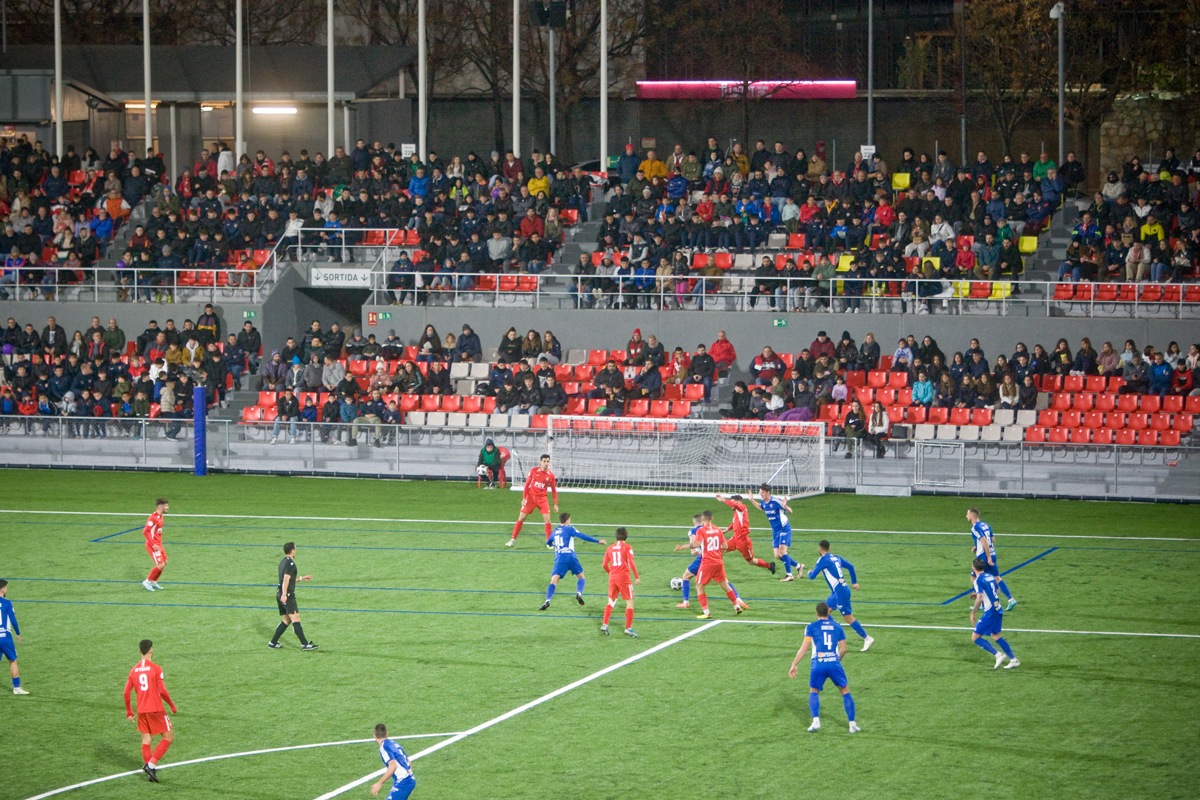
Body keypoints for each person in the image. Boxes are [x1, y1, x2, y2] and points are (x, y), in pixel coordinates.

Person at [787, 602, 860, 733]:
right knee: (845, 692)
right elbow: (843, 649)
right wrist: (835, 661)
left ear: (816, 614)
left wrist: (794, 664)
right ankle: (852, 724)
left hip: (818, 663)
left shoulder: (811, 627)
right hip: (833, 662)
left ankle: (816, 722)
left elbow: (804, 648)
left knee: (814, 691)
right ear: (828, 613)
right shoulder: (837, 627)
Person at [799, 540, 874, 651]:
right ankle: (835, 637)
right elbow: (851, 567)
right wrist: (854, 582)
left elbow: (812, 577)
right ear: (829, 549)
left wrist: (809, 572)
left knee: (848, 618)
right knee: (825, 611)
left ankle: (867, 638)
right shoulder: (836, 558)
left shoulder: (822, 560)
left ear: (820, 549)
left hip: (840, 593)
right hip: (839, 591)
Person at [123, 639, 178, 782]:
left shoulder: (133, 670)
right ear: (151, 650)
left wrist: (129, 711)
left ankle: (151, 774)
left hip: (141, 711)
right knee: (168, 737)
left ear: (140, 652)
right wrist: (172, 705)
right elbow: (163, 691)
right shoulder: (156, 668)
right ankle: (151, 765)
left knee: (146, 740)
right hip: (155, 709)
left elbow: (126, 693)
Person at [539, 513, 607, 610]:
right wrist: (597, 541)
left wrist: (553, 544)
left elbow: (548, 543)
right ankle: (578, 594)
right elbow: (582, 536)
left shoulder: (554, 532)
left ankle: (547, 601)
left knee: (553, 582)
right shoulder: (570, 529)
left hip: (560, 558)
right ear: (567, 520)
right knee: (581, 576)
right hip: (570, 556)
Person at [693, 509, 750, 619]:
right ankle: (737, 607)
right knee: (725, 585)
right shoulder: (718, 530)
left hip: (707, 563)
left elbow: (697, 544)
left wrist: (685, 546)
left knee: (699, 586)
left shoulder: (701, 531)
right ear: (712, 518)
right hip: (718, 562)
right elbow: (725, 546)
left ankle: (706, 612)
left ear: (702, 519)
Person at [969, 558, 1020, 670]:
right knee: (996, 636)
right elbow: (997, 591)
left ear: (973, 568)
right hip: (998, 609)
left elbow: (980, 599)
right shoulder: (990, 576)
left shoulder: (978, 580)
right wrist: (978, 593)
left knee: (975, 637)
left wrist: (973, 612)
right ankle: (1013, 660)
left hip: (990, 612)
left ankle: (998, 655)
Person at [268, 542, 317, 650]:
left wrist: (301, 578)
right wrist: (285, 594)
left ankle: (273, 642)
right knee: (296, 618)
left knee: (287, 620)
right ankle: (305, 644)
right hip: (287, 595)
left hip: (279, 593)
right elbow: (286, 579)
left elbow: (287, 580)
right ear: (292, 550)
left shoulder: (282, 562)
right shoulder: (291, 564)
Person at [966, 508, 1016, 610]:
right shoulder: (985, 525)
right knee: (997, 578)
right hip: (992, 554)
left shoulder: (975, 528)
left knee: (974, 578)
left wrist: (987, 556)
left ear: (972, 516)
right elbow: (991, 539)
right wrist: (977, 546)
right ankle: (1010, 599)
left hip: (983, 557)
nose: (966, 516)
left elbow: (984, 540)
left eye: (967, 514)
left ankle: (983, 603)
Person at [749, 483, 799, 581]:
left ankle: (789, 575)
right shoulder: (763, 502)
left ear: (768, 492)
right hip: (775, 531)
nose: (761, 494)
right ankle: (798, 566)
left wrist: (785, 506)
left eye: (763, 493)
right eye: (760, 493)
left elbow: (790, 511)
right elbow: (761, 507)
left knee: (782, 551)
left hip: (784, 528)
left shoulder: (776, 501)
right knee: (777, 555)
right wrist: (751, 500)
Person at [507, 454, 558, 547]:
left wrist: (555, 503)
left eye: (548, 461)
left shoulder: (551, 475)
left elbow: (554, 489)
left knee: (547, 519)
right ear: (540, 462)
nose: (546, 463)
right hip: (531, 498)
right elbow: (527, 485)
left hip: (542, 499)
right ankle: (512, 539)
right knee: (521, 517)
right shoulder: (533, 471)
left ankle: (549, 542)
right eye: (544, 461)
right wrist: (524, 498)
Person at [716, 492, 774, 573]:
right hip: (735, 538)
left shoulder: (742, 508)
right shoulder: (737, 512)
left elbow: (735, 506)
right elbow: (735, 523)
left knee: (751, 561)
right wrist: (727, 529)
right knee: (720, 549)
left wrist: (723, 500)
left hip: (743, 541)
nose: (732, 504)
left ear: (738, 502)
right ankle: (716, 571)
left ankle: (770, 566)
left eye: (733, 502)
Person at [601, 527, 640, 637]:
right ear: (626, 537)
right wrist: (636, 577)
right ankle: (628, 628)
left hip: (612, 577)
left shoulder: (609, 548)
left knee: (611, 601)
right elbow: (631, 562)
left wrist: (611, 574)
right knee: (630, 602)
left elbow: (604, 565)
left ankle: (605, 624)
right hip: (623, 577)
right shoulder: (627, 547)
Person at [370, 723, 417, 799]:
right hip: (408, 779)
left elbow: (393, 765)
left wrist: (379, 783)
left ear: (374, 735)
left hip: (404, 781)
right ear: (387, 734)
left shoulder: (384, 747)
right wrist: (410, 782)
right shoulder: (394, 744)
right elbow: (408, 761)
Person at [0, 580, 27, 694]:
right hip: (5, 637)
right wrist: (18, 633)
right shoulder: (7, 603)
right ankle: (17, 688)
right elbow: (13, 620)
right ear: (3, 589)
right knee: (13, 661)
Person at [140, 498, 169, 592]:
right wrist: (153, 544)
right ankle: (147, 582)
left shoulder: (161, 516)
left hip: (158, 544)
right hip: (152, 545)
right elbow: (145, 532)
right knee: (160, 565)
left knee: (164, 563)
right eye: (166, 506)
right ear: (160, 507)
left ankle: (154, 581)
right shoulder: (153, 517)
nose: (168, 507)